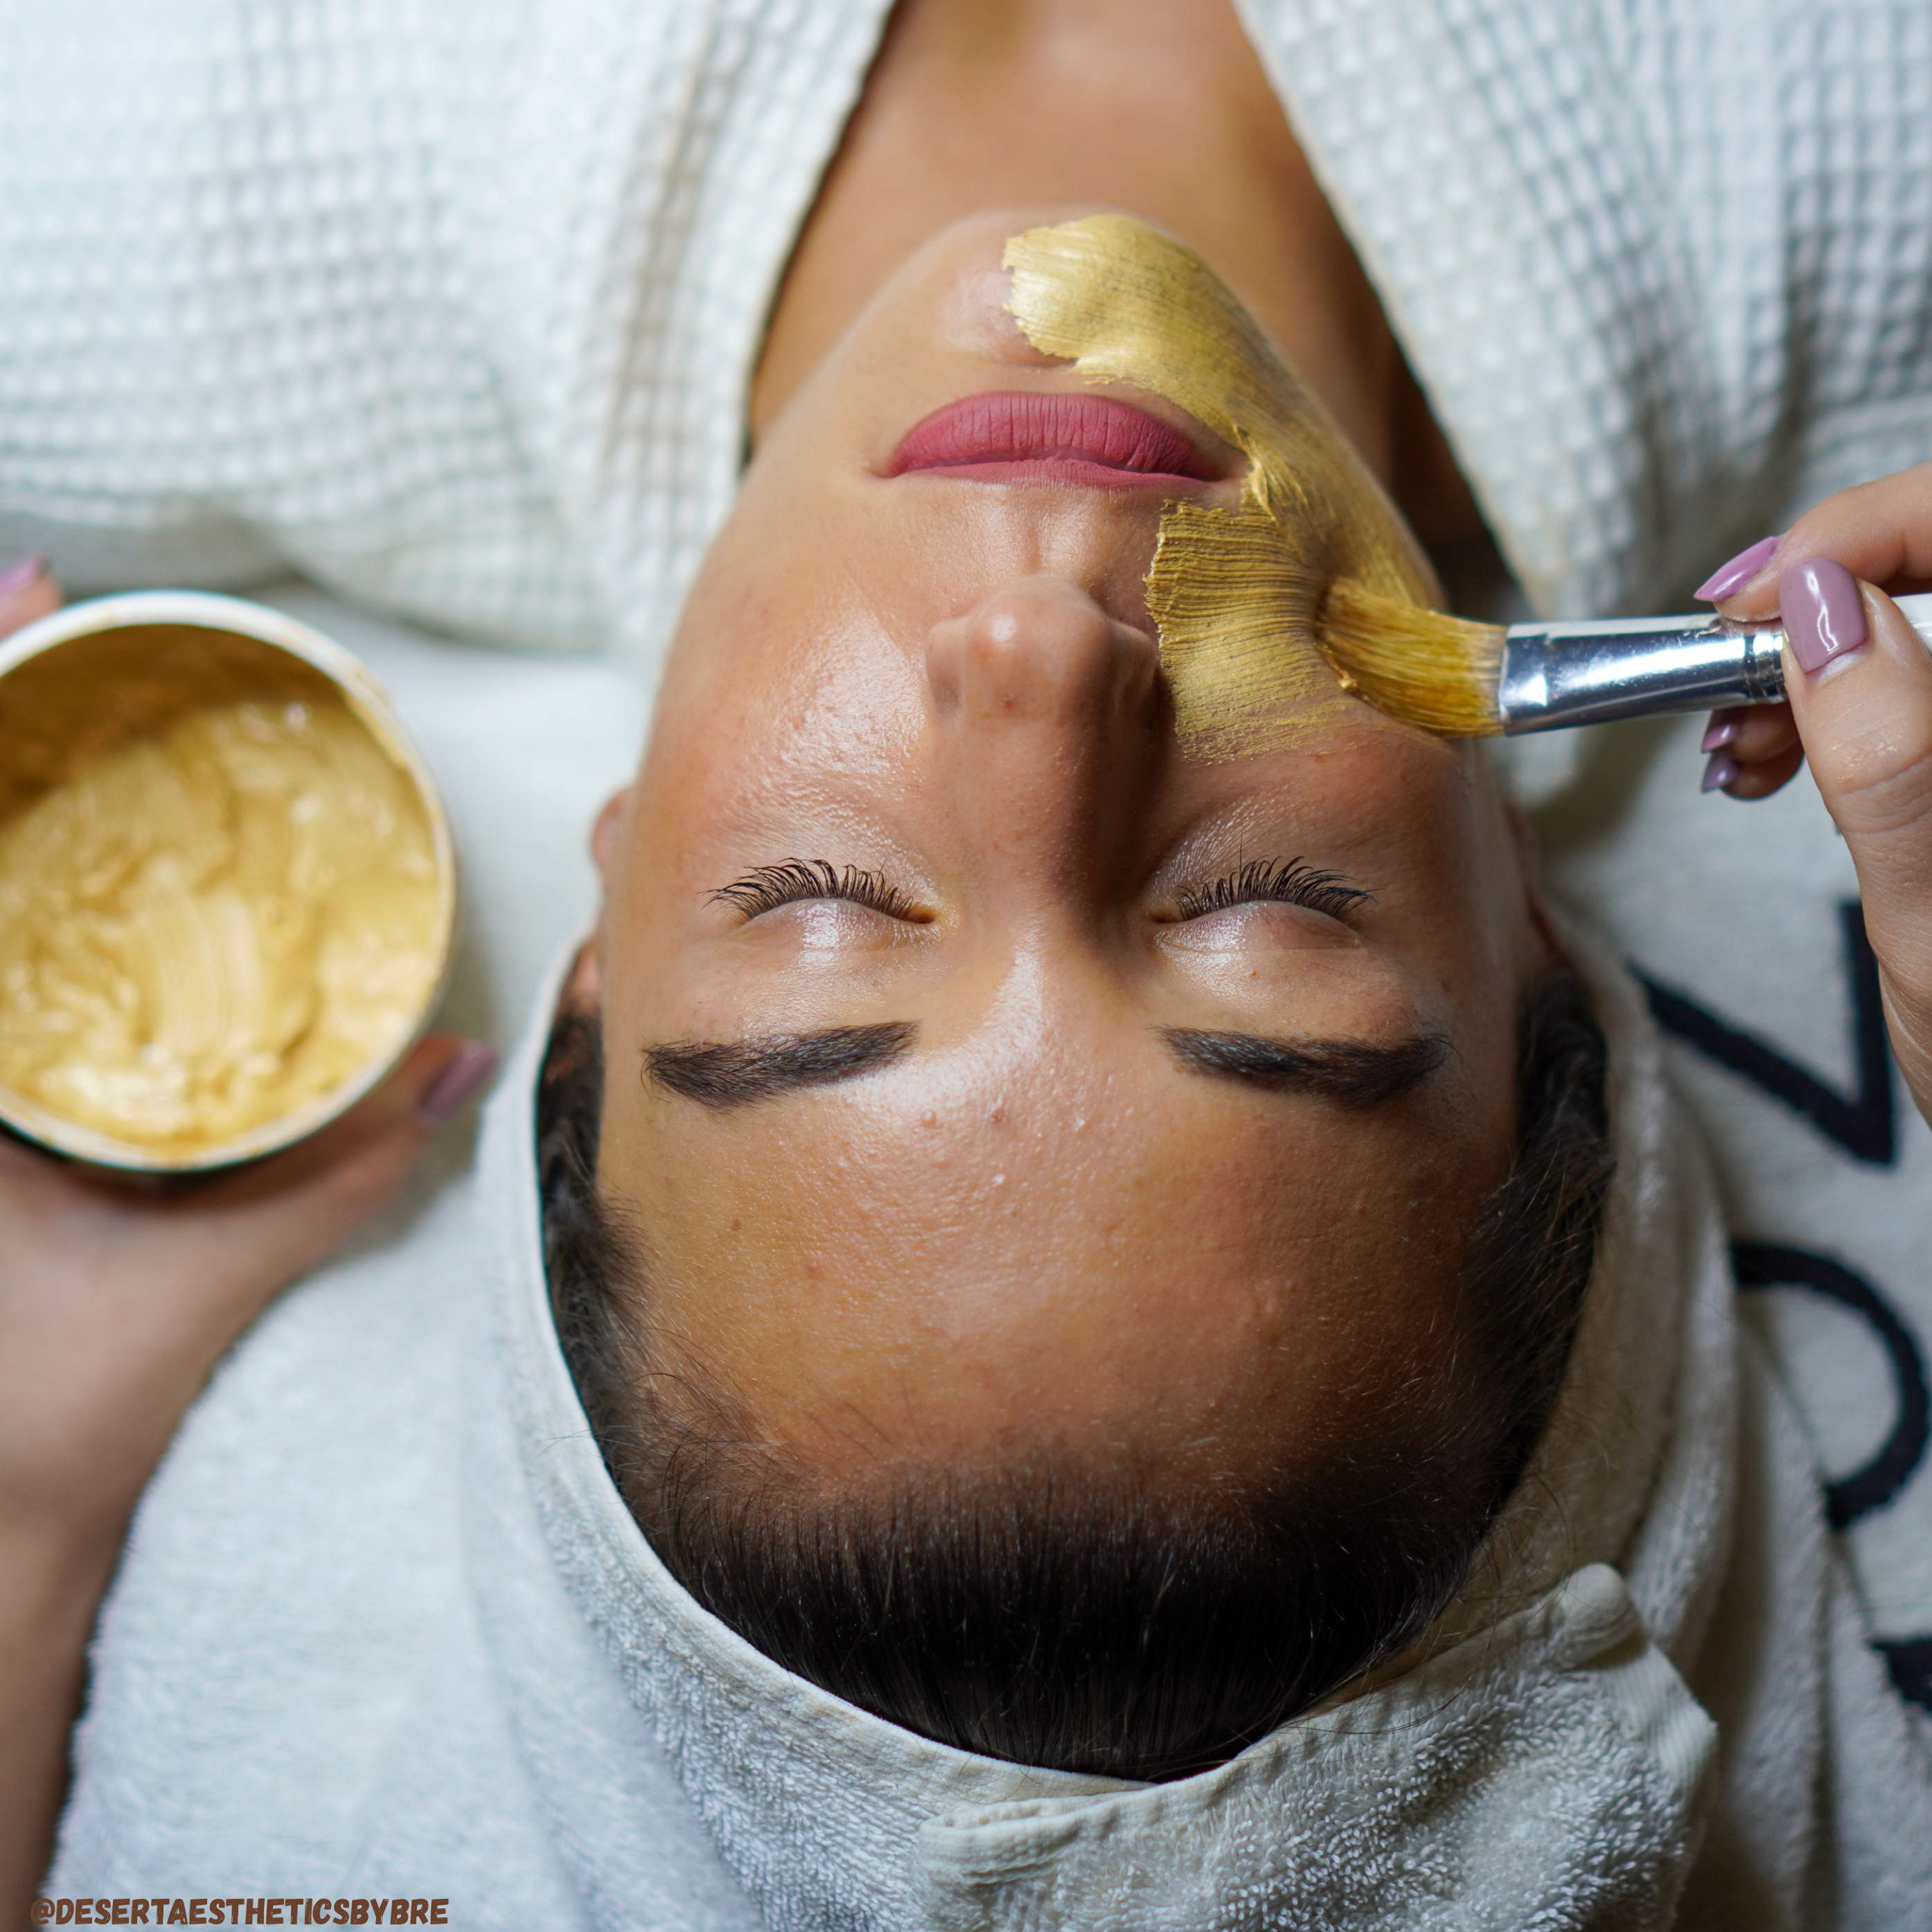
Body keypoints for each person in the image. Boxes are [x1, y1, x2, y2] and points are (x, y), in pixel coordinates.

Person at [3, 2, 1931, 1924]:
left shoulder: (90, 235)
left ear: (607, 911)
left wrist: (24, 1519)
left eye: (822, 903)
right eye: (1264, 909)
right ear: (1523, 910)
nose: (1044, 660)